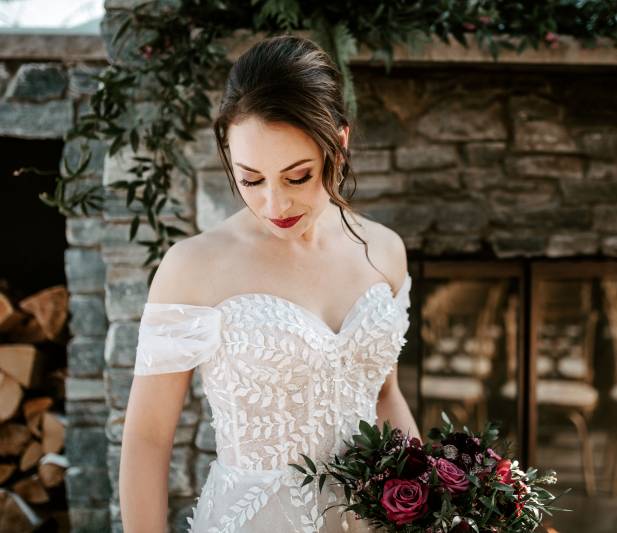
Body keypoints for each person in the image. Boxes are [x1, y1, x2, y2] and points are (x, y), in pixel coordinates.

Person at [119, 34, 420, 533]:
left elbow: (384, 396)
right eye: (252, 179)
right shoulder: (192, 267)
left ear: (337, 144)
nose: (275, 205)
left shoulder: (385, 250)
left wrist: (434, 502)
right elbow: (148, 437)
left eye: (298, 176)